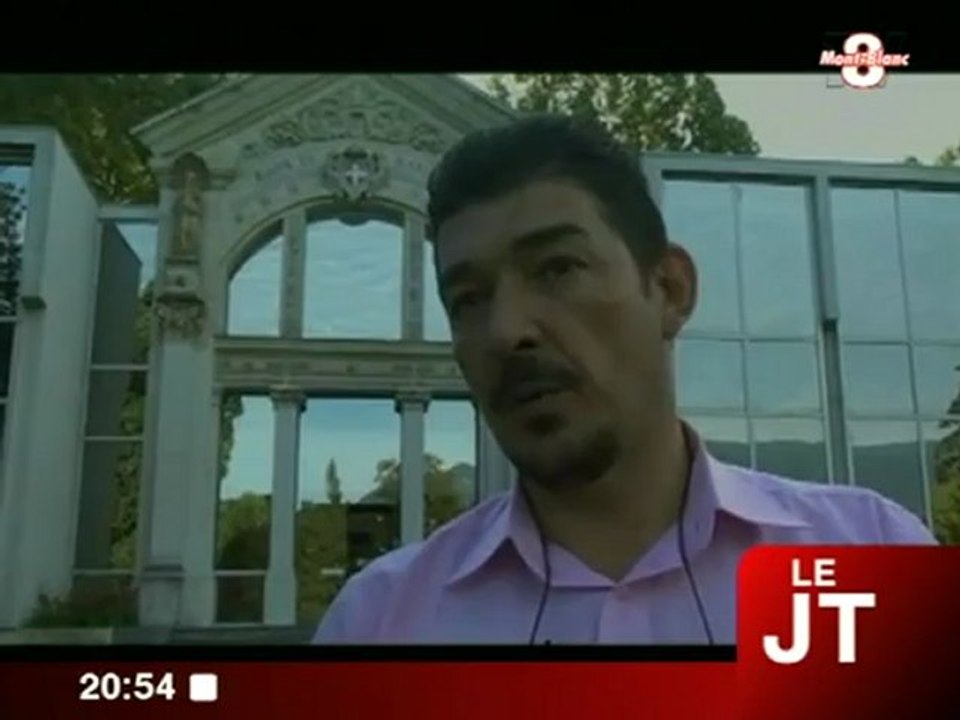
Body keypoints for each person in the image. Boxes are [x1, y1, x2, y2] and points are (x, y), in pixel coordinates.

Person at [312, 113, 938, 645]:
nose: (506, 331)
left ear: (669, 289)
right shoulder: (380, 624)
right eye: (469, 299)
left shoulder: (866, 558)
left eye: (557, 268)